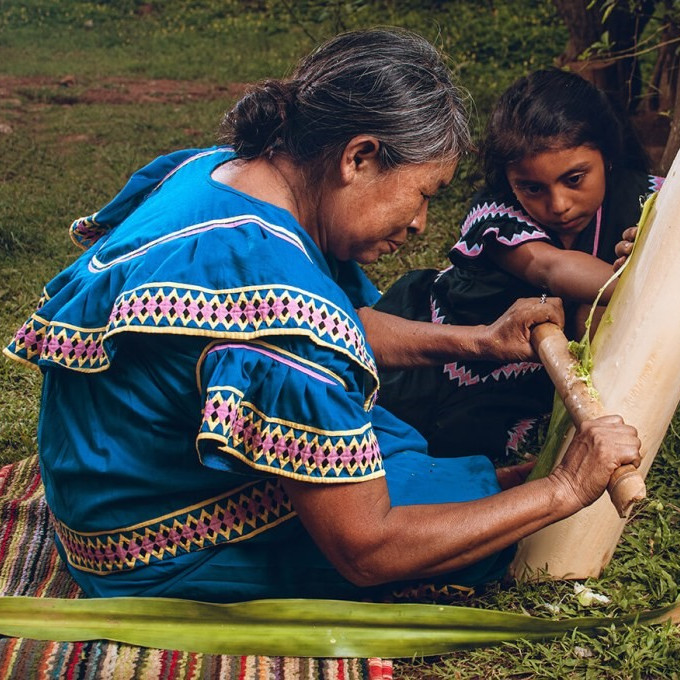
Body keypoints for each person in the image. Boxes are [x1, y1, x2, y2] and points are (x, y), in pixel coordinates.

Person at [4, 30, 641, 604]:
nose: (420, 224)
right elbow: (368, 549)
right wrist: (562, 490)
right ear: (358, 158)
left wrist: (479, 340)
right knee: (476, 534)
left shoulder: (218, 174)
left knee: (415, 461)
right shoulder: (279, 303)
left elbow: (338, 323)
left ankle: (485, 486)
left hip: (99, 501)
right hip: (154, 554)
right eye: (422, 194)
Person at [375, 68, 663, 460]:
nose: (558, 204)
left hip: (544, 366)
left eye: (574, 179)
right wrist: (646, 274)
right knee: (438, 427)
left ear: (607, 157)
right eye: (532, 188)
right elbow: (552, 270)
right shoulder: (496, 219)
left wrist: (657, 249)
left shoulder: (648, 200)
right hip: (458, 355)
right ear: (509, 180)